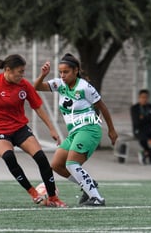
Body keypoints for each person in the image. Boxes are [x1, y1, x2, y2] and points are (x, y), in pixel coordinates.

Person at [0, 54, 66, 207]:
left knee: (41, 158)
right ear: (8, 70)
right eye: (20, 71)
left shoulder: (24, 85)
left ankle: (53, 197)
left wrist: (52, 129)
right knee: (9, 157)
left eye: (23, 72)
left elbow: (38, 108)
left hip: (20, 128)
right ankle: (33, 193)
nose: (22, 75)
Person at [34, 53, 118, 206]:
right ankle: (88, 184)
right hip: (75, 132)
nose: (62, 75)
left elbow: (102, 107)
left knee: (71, 164)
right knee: (56, 165)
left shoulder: (84, 87)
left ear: (76, 71)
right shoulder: (60, 84)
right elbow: (36, 87)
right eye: (60, 72)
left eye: (66, 72)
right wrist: (43, 75)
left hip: (89, 129)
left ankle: (97, 199)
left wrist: (111, 130)